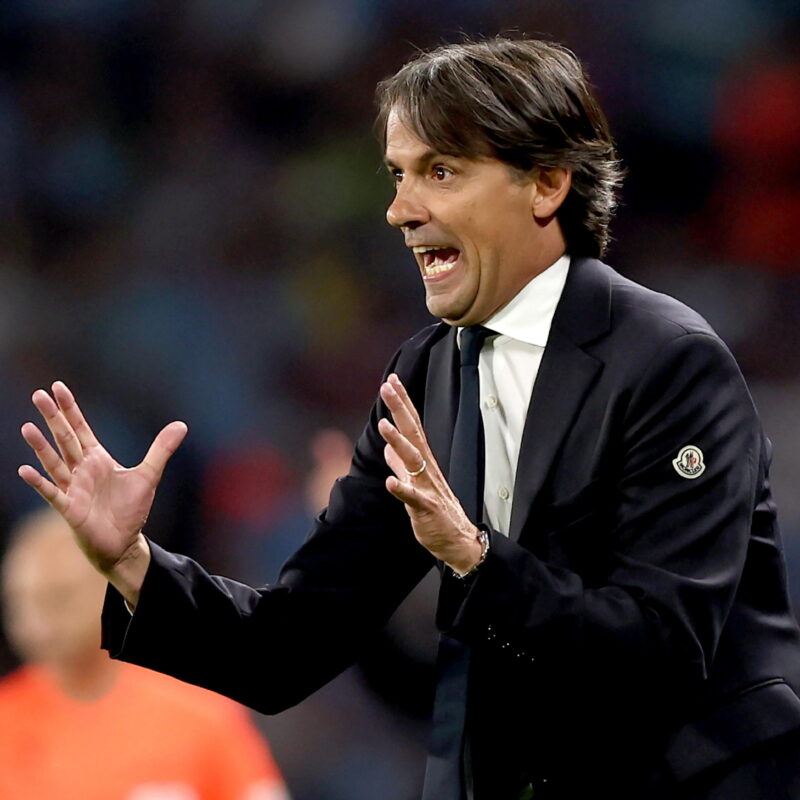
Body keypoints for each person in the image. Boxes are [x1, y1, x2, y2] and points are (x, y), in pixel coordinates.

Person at [17, 36, 800, 799]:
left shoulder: (672, 363)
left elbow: (664, 653)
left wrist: (473, 557)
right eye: (398, 176)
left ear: (547, 184)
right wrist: (131, 561)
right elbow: (286, 647)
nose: (399, 210)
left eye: (441, 172)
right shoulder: (427, 375)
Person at [0, 508, 290, 800]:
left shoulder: (198, 712)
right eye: (20, 600)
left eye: (58, 598)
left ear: (106, 587)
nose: (35, 622)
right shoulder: (5, 722)